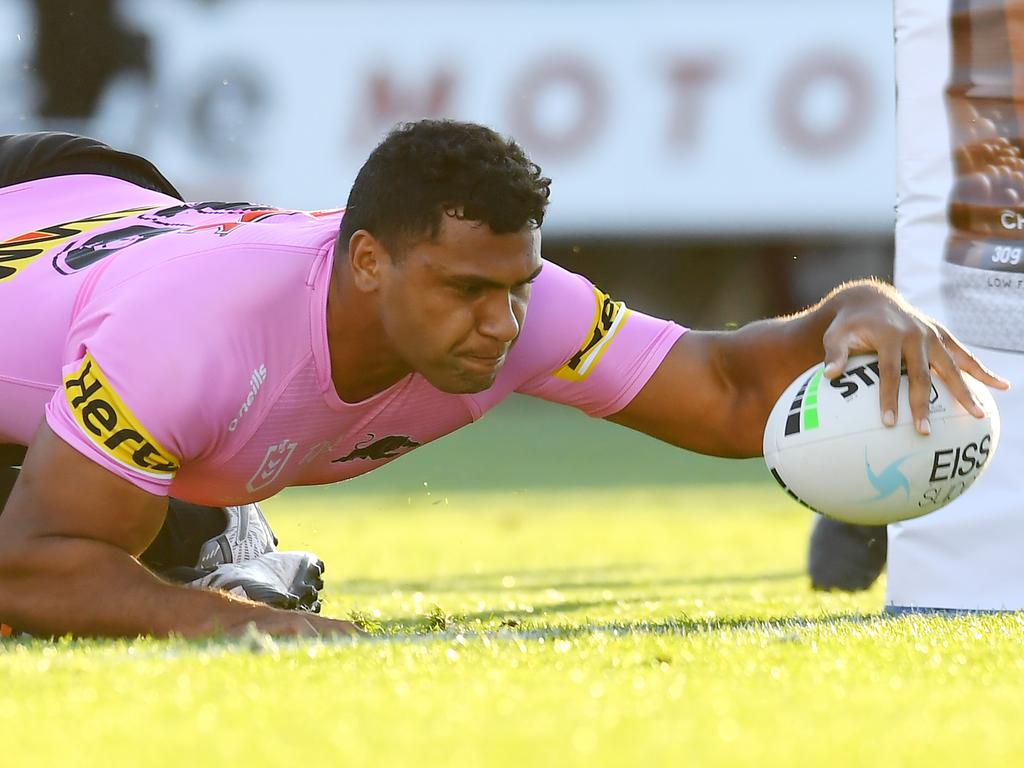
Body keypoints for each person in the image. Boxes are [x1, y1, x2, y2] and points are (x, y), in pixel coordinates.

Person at [0, 122, 1006, 639]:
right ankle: (211, 546)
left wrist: (849, 312)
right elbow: (36, 562)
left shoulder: (524, 311)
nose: (502, 324)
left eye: (517, 287)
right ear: (365, 265)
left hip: (91, 204)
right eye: (466, 290)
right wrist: (259, 631)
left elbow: (734, 393)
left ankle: (203, 537)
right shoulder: (189, 339)